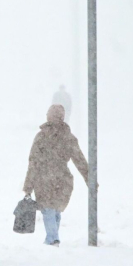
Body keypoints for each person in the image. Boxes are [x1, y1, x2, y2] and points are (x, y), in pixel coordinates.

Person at [23, 105, 88, 246]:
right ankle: (53, 238)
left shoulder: (41, 137)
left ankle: (52, 239)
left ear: (49, 116)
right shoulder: (68, 137)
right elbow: (80, 160)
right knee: (56, 210)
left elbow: (33, 162)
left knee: (48, 210)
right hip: (63, 178)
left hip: (44, 179)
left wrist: (28, 186)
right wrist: (89, 179)